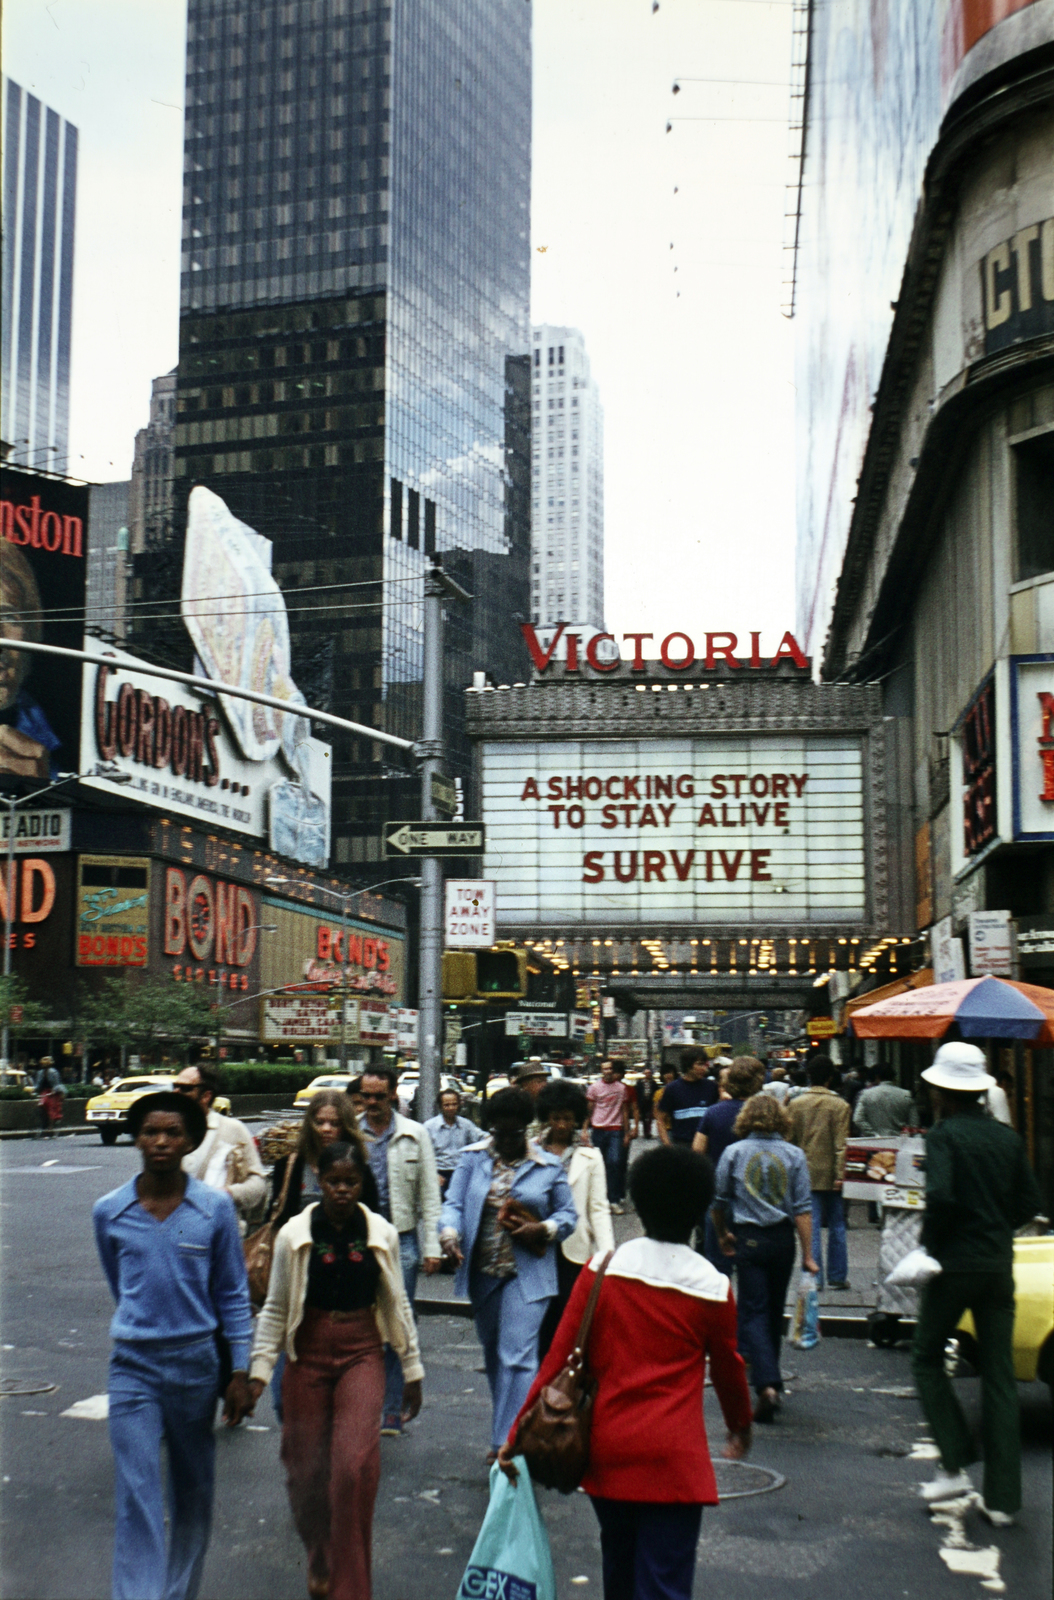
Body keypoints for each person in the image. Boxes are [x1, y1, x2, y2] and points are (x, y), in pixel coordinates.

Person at [500, 1145, 753, 1600]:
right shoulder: (714, 1288)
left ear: (637, 1202)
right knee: (665, 1583)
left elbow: (558, 1358)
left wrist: (517, 1432)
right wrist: (739, 1426)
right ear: (699, 1212)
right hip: (673, 1458)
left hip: (607, 1448)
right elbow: (730, 1371)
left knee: (619, 1568)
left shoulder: (604, 1268)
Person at [92, 1091, 254, 1600]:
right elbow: (123, 1285)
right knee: (136, 1491)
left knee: (193, 1492)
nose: (161, 1141)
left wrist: (240, 1370)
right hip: (133, 1366)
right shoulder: (109, 1211)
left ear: (189, 1141)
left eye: (173, 1133)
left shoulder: (213, 1211)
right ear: (137, 1138)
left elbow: (231, 1293)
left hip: (196, 1367)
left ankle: (178, 1592)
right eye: (150, 1132)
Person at [249, 1140, 423, 1600]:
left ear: (363, 1184)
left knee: (351, 1468)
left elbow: (397, 1304)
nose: (342, 1190)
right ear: (319, 1183)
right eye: (333, 1182)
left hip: (362, 1349)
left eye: (351, 1182)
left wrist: (412, 1368)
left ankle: (351, 1587)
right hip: (306, 1351)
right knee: (304, 1471)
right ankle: (319, 1550)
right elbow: (275, 1308)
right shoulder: (294, 1234)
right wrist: (259, 1371)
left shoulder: (380, 1233)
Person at [911, 1043, 1042, 1523]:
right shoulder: (1006, 1139)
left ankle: (955, 1460)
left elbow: (941, 1196)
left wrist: (929, 1245)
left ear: (942, 1091)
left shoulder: (944, 1135)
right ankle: (1003, 1498)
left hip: (954, 1265)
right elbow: (1029, 1202)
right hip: (997, 1265)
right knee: (1000, 1376)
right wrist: (993, 1226)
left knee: (926, 1357)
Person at [439, 1086, 577, 1459]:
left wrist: (544, 1229)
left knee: (519, 1357)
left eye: (515, 1134)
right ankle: (510, 1426)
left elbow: (568, 1216)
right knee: (496, 1357)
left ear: (526, 1129)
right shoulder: (472, 1160)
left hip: (528, 1277)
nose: (507, 1141)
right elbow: (452, 1204)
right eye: (500, 1133)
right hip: (484, 1273)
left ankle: (507, 1441)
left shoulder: (548, 1165)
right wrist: (449, 1234)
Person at [711, 1095, 818, 1422]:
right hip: (782, 1240)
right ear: (781, 1120)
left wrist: (722, 1234)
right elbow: (802, 1209)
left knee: (752, 1310)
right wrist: (809, 1255)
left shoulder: (734, 1152)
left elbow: (718, 1201)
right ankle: (773, 1378)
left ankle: (767, 1384)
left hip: (749, 1239)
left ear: (746, 1119)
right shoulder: (794, 1154)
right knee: (773, 1310)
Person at [358, 1067, 441, 1436]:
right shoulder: (351, 1131)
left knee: (397, 1324)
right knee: (360, 1325)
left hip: (402, 1241)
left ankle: (391, 1409)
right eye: (366, 1095)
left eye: (379, 1095)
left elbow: (429, 1195)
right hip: (358, 1240)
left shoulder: (415, 1134)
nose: (371, 1103)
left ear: (393, 1094)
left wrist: (432, 1246)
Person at [534, 1077, 615, 1357]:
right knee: (541, 1321)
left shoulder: (591, 1158)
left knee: (571, 1319)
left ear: (577, 1119)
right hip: (537, 1246)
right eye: (555, 1118)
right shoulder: (532, 1151)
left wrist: (606, 1253)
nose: (560, 1125)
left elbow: (598, 1208)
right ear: (546, 1117)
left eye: (567, 1118)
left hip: (574, 1250)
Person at [691, 1056, 766, 1274]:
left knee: (718, 1264)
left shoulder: (714, 1112)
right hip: (755, 1197)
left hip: (719, 1197)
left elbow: (697, 1151)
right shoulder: (765, 1114)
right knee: (751, 1267)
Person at [174, 1064, 267, 1232]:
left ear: (206, 1096)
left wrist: (228, 1193)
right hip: (176, 1233)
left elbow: (258, 1184)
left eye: (185, 1088)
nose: (176, 1093)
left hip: (222, 1235)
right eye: (175, 1087)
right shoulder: (167, 1131)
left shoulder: (232, 1129)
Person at [786, 1054, 852, 1289]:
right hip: (833, 1174)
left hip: (804, 1172)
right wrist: (841, 1174)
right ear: (831, 1078)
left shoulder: (795, 1105)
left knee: (809, 1226)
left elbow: (789, 1142)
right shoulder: (840, 1105)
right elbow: (841, 1144)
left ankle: (814, 1276)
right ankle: (837, 1275)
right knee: (837, 1224)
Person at [586, 1060, 631, 1213]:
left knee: (614, 1162)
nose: (608, 1071)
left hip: (615, 1130)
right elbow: (589, 1110)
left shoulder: (621, 1088)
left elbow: (625, 1111)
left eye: (610, 1068)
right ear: (601, 1070)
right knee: (599, 1165)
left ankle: (613, 1200)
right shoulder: (594, 1088)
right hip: (598, 1129)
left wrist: (627, 1133)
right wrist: (585, 1129)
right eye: (604, 1068)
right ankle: (600, 1199)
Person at [424, 1087, 478, 1198]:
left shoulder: (466, 1125)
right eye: (447, 1105)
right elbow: (423, 1155)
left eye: (454, 1104)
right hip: (439, 1172)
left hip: (461, 1171)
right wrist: (433, 1174)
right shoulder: (429, 1127)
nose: (451, 1108)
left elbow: (481, 1137)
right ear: (440, 1107)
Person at [657, 1052, 718, 1148]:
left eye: (705, 1064)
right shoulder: (673, 1089)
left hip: (706, 1145)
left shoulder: (711, 1087)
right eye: (700, 1064)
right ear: (688, 1066)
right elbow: (660, 1119)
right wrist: (668, 1145)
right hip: (681, 1144)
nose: (704, 1068)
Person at [852, 1062, 913, 1137]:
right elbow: (914, 1123)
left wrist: (873, 1134)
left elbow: (857, 1119)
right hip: (899, 1141)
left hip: (873, 1143)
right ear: (893, 1077)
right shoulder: (906, 1094)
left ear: (877, 1077)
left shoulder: (866, 1094)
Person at [35, 1055, 65, 1138]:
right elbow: (38, 1084)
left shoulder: (53, 1072)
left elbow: (57, 1083)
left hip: (53, 1092)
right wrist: (33, 1090)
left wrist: (55, 1090)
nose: (44, 1062)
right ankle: (43, 1125)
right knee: (41, 1106)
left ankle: (53, 1128)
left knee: (53, 1110)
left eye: (46, 1061)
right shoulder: (40, 1072)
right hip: (44, 1092)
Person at [652, 1065, 677, 1141]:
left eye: (670, 1073)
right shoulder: (659, 1093)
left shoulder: (680, 1090)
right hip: (666, 1129)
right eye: (665, 1073)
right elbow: (655, 1112)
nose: (668, 1076)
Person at [634, 1066, 657, 1139]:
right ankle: (645, 1131)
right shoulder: (640, 1083)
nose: (648, 1075)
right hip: (642, 1102)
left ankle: (648, 1132)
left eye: (649, 1073)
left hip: (650, 1102)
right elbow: (636, 1092)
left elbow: (656, 1091)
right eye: (646, 1073)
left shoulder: (653, 1083)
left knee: (649, 1118)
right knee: (644, 1118)